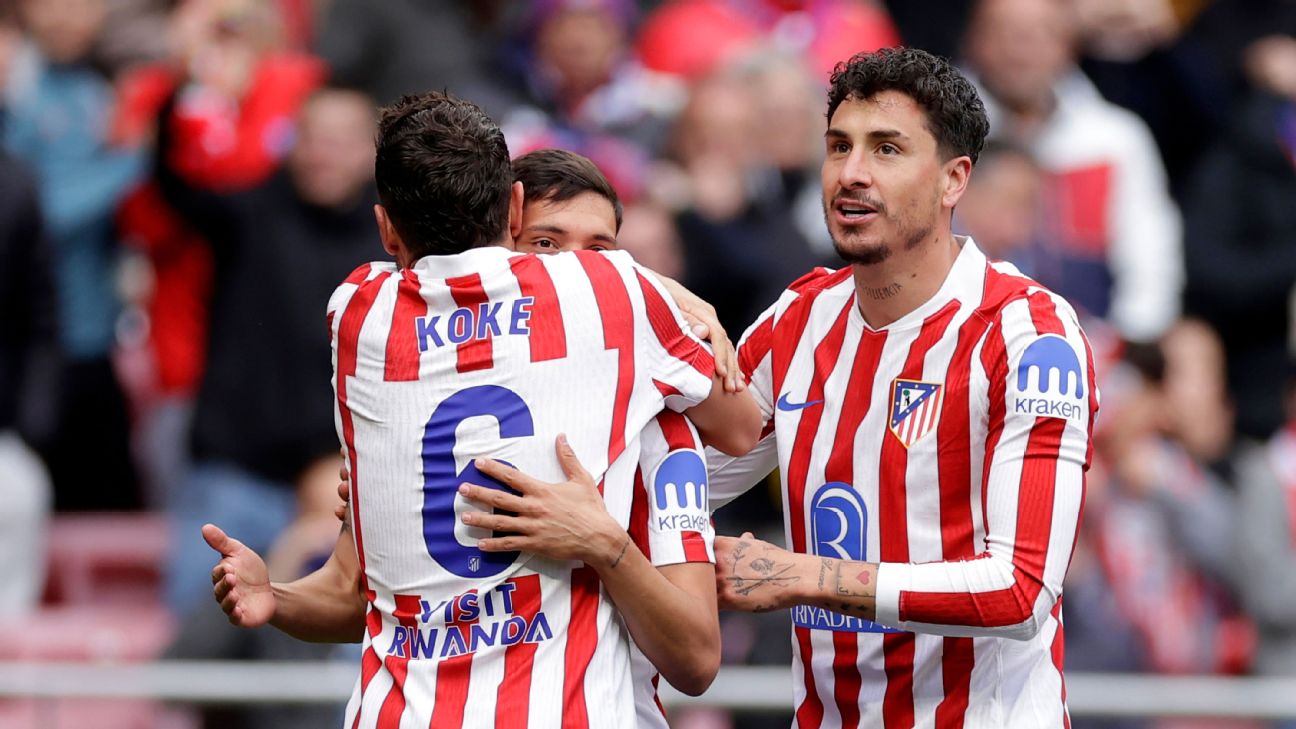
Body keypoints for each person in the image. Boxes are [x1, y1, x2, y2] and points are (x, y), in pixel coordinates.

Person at [205, 93, 762, 728]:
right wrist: (675, 297)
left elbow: (695, 658)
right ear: (512, 219)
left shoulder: (359, 313)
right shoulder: (620, 296)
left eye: (599, 248)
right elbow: (352, 594)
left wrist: (606, 545)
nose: (572, 264)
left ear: (387, 228)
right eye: (547, 243)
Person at [700, 48, 1097, 728]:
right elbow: (678, 483)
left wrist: (803, 576)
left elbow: (1020, 590)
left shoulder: (1028, 334)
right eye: (839, 147)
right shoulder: (797, 321)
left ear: (953, 180)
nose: (851, 173)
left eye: (886, 149)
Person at [157, 86, 383, 614]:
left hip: (340, 487)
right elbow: (176, 182)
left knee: (339, 644)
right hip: (235, 473)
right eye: (312, 138)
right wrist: (194, 86)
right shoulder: (249, 214)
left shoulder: (394, 240)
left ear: (372, 153)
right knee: (198, 636)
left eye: (341, 141)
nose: (323, 154)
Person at [962, 0, 1182, 344]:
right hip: (962, 342)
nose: (1020, 53)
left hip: (1096, 346)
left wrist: (1130, 343)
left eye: (1039, 36)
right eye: (1005, 34)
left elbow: (1151, 256)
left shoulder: (1115, 139)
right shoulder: (937, 134)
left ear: (1070, 46)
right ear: (974, 41)